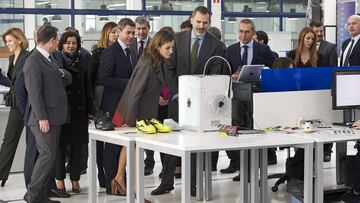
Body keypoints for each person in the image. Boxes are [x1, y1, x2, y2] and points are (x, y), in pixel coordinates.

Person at [151, 6, 227, 196]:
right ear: (192, 19)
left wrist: (198, 97)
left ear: (209, 22)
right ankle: (166, 182)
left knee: (195, 144)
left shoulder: (217, 45)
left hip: (201, 106)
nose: (201, 26)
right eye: (198, 21)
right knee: (170, 142)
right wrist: (177, 94)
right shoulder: (176, 39)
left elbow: (214, 76)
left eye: (205, 22)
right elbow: (169, 69)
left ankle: (192, 184)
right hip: (177, 101)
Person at [112, 29, 174, 203]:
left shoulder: (156, 61)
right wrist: (131, 122)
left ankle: (119, 178)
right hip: (136, 114)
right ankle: (136, 193)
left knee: (131, 150)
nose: (171, 51)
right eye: (168, 48)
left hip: (143, 114)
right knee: (135, 153)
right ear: (158, 46)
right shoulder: (148, 63)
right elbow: (134, 93)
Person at [15, 28, 71, 198]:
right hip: (43, 118)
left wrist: (61, 72)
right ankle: (32, 194)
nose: (57, 43)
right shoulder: (33, 61)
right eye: (57, 40)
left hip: (55, 117)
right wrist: (42, 117)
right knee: (47, 155)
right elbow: (34, 93)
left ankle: (40, 196)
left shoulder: (49, 58)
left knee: (50, 155)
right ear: (51, 40)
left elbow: (64, 78)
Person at [224, 19, 276, 181]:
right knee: (240, 133)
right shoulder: (231, 50)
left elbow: (274, 68)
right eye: (240, 31)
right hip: (237, 97)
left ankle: (255, 169)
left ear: (253, 32)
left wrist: (262, 75)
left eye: (247, 32)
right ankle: (243, 170)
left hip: (257, 96)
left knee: (256, 134)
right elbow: (224, 71)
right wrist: (230, 76)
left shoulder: (263, 49)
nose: (243, 35)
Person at [99, 18, 136, 195]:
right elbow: (104, 79)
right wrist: (129, 83)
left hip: (127, 105)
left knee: (123, 145)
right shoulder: (111, 52)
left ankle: (120, 181)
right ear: (119, 31)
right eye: (128, 32)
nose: (131, 36)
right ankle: (111, 185)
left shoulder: (132, 52)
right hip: (113, 105)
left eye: (133, 33)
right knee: (112, 147)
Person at [55, 31, 93, 195]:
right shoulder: (56, 60)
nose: (71, 45)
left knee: (78, 147)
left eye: (74, 43)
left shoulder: (82, 60)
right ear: (62, 44)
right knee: (60, 148)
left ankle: (75, 179)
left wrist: (90, 108)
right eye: (68, 43)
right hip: (63, 111)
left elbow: (87, 87)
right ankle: (60, 181)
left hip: (79, 110)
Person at [88, 21, 118, 188]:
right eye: (112, 31)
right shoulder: (98, 53)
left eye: (116, 31)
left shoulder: (122, 53)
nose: (115, 34)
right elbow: (90, 79)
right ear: (105, 34)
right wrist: (92, 105)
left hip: (116, 97)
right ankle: (102, 174)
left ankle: (114, 174)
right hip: (101, 97)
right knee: (101, 139)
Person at [0, 27, 29, 187]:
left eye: (10, 41)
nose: (8, 44)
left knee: (33, 142)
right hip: (15, 105)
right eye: (6, 42)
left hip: (28, 105)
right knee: (9, 140)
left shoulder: (28, 57)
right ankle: (1, 174)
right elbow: (12, 82)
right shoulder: (12, 58)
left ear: (19, 39)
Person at [130, 16, 155, 176]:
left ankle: (150, 161)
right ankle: (134, 162)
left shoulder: (154, 44)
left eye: (143, 28)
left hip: (151, 93)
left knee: (150, 127)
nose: (140, 32)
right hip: (135, 90)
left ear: (148, 28)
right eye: (138, 29)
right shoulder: (130, 43)